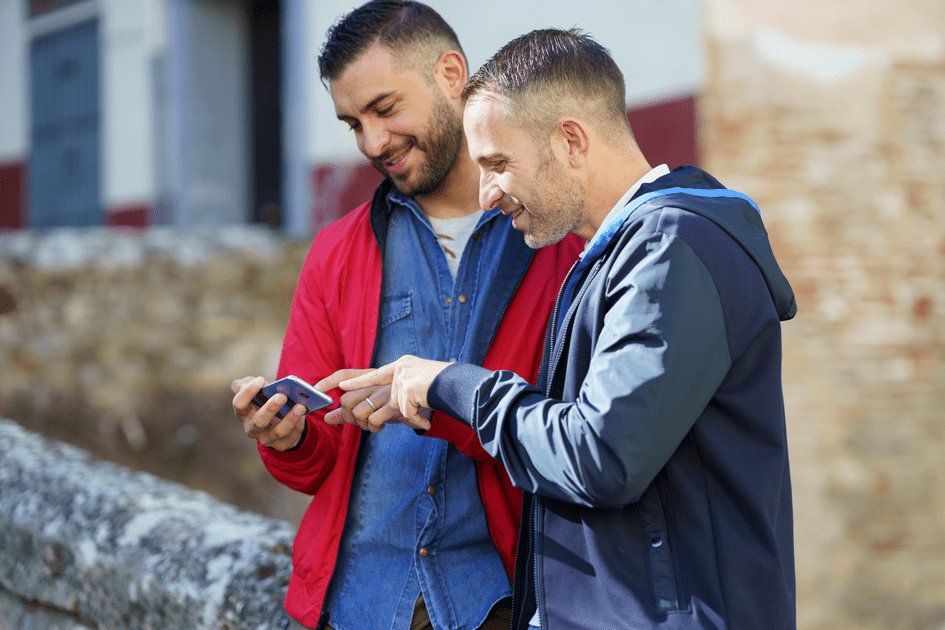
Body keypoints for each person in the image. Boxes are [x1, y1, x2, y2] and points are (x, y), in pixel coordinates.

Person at [335, 28, 799, 630]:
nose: (487, 194)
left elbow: (599, 456)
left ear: (571, 140)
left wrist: (450, 384)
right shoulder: (620, 255)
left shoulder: (672, 248)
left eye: (498, 164)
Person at [230, 4, 582, 630]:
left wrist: (436, 400)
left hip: (503, 599)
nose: (372, 143)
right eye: (352, 124)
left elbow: (575, 436)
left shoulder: (556, 240)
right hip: (354, 605)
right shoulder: (335, 251)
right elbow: (316, 460)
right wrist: (289, 436)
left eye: (385, 109)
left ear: (452, 74)